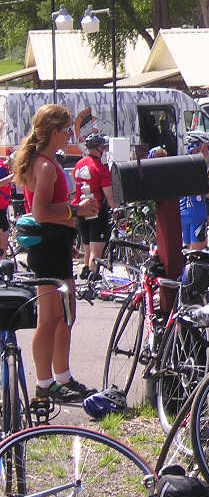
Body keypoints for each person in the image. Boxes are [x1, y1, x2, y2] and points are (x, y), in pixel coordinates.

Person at [12, 105, 98, 403]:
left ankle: (59, 378)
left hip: (54, 247)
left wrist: (67, 233)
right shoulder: (46, 166)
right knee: (51, 318)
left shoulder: (44, 162)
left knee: (63, 315)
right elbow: (40, 212)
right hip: (48, 252)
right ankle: (46, 383)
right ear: (52, 131)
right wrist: (77, 210)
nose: (69, 136)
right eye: (65, 131)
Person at [73, 134, 114, 280]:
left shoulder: (79, 164)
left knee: (87, 246)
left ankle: (85, 271)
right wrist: (116, 207)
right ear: (98, 148)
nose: (104, 149)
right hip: (96, 209)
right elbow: (109, 196)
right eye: (102, 146)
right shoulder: (101, 169)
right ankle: (93, 278)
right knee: (96, 250)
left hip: (80, 209)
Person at [178, 131, 209, 251]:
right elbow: (207, 190)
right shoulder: (198, 164)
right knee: (197, 255)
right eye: (206, 147)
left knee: (186, 252)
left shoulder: (182, 162)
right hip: (196, 212)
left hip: (183, 211)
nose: (208, 151)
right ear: (198, 146)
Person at [0, 155, 13, 256]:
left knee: (4, 233)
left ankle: (3, 261)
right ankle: (3, 261)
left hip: (3, 206)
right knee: (3, 234)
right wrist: (10, 178)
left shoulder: (2, 163)